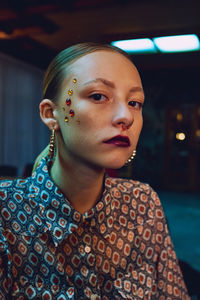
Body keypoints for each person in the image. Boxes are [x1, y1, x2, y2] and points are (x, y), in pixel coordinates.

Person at [0, 43, 190, 300]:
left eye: (135, 102)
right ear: (50, 113)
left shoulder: (143, 203)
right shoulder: (6, 214)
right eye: (98, 96)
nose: (126, 117)